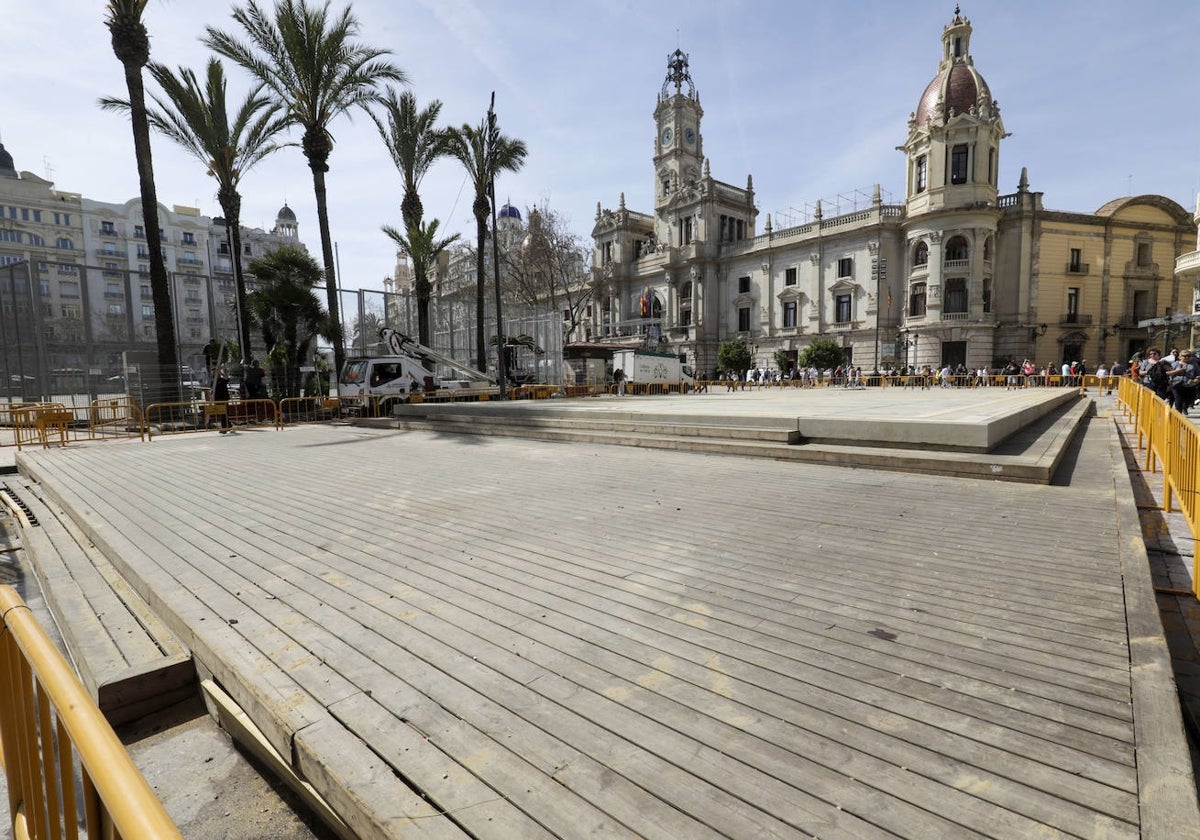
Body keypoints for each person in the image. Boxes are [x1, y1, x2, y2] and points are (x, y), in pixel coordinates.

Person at [1169, 350, 1200, 414]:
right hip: (1176, 384)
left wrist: (1197, 379)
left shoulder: (1194, 365)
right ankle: (1178, 414)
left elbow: (1198, 374)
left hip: (1189, 384)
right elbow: (1168, 373)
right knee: (1178, 400)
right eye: (1184, 356)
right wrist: (1178, 371)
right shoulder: (1175, 364)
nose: (1186, 357)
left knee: (1188, 399)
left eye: (1188, 356)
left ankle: (1185, 408)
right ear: (1180, 357)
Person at [212, 367, 231, 433]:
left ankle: (224, 428)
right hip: (217, 399)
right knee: (222, 413)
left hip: (223, 399)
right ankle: (228, 425)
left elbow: (227, 378)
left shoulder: (222, 380)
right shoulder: (213, 382)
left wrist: (221, 373)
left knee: (224, 413)